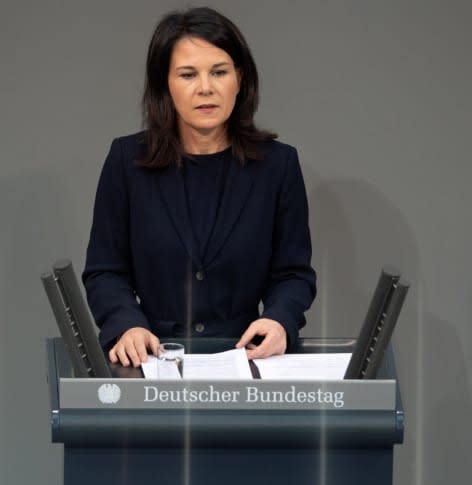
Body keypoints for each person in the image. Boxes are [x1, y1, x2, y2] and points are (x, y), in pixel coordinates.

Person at [82, 7, 316, 368]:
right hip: (152, 361)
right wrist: (126, 324)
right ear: (165, 85)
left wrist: (279, 319)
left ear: (239, 79)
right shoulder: (127, 160)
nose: (205, 88)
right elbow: (105, 270)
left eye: (219, 72)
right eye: (188, 74)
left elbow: (293, 274)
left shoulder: (278, 165)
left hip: (246, 359)